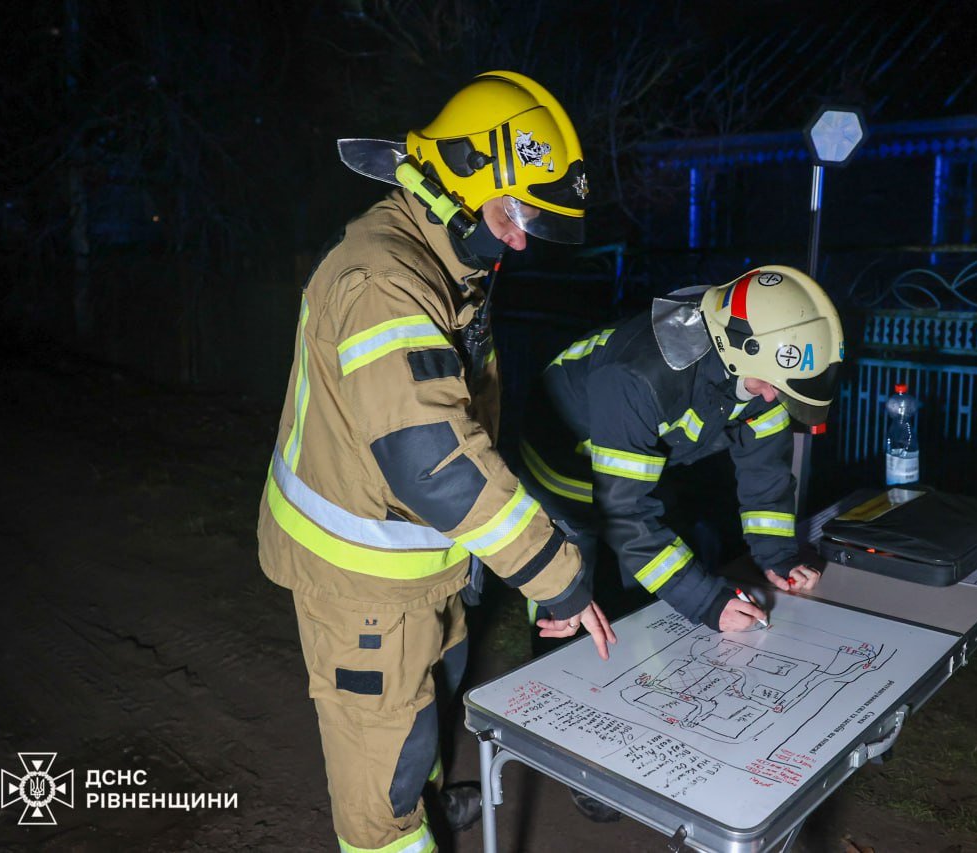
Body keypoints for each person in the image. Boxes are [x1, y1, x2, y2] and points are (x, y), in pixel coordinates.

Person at [257, 70, 615, 853]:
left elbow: (465, 429)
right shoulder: (384, 281)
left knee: (422, 713)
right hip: (362, 591)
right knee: (379, 800)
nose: (520, 238)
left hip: (423, 569)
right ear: (460, 178)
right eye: (514, 212)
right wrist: (555, 570)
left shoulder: (445, 257)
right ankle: (400, 823)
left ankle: (419, 784)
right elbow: (434, 461)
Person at [520, 264, 843, 633]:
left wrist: (780, 558)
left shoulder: (759, 366)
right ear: (739, 350)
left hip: (633, 460)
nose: (772, 398)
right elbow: (625, 515)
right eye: (770, 385)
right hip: (562, 459)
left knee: (643, 590)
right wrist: (706, 601)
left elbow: (765, 475)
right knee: (568, 590)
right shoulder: (640, 377)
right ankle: (551, 659)